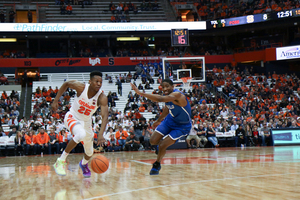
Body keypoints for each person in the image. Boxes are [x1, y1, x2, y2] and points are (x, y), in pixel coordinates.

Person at [52, 71, 108, 177]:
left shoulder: (102, 97)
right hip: (72, 116)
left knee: (90, 152)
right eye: (96, 81)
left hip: (86, 121)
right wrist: (56, 100)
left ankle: (83, 164)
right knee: (80, 134)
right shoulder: (81, 87)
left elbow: (105, 117)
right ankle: (60, 161)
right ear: (90, 81)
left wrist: (101, 134)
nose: (99, 84)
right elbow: (66, 83)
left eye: (100, 82)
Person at [130, 78, 192, 175]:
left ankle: (157, 164)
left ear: (173, 86)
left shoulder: (178, 95)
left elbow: (159, 99)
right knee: (152, 140)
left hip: (182, 126)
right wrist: (159, 120)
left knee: (163, 144)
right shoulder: (167, 96)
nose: (165, 88)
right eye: (163, 87)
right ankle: (159, 149)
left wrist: (140, 93)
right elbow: (168, 108)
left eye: (167, 86)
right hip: (170, 120)